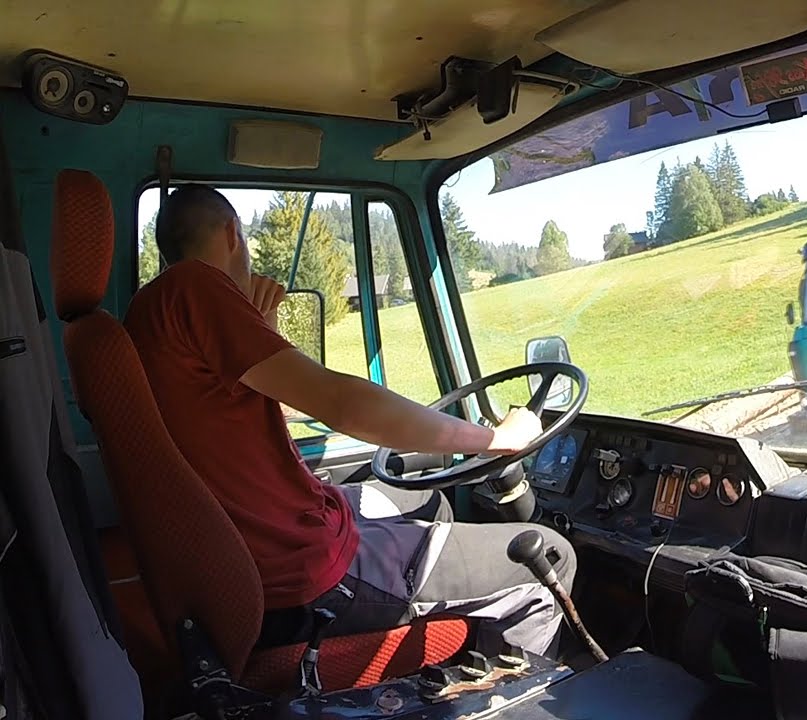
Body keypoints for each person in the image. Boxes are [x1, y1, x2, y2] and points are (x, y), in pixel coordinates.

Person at [123, 185, 577, 657]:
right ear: (233, 234)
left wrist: (263, 325)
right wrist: (494, 438)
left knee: (427, 499)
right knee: (549, 557)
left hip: (257, 545)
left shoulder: (148, 312)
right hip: (302, 572)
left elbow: (245, 413)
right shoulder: (195, 287)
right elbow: (340, 402)